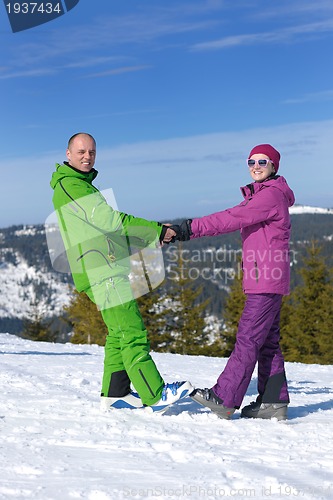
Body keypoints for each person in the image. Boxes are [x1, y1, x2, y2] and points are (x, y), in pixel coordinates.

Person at [50, 132, 193, 413]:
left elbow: (105, 231)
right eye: (80, 151)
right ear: (68, 154)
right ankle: (154, 393)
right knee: (131, 330)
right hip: (98, 270)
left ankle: (115, 393)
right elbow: (112, 222)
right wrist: (157, 230)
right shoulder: (71, 186)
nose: (87, 156)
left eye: (91, 151)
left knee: (117, 332)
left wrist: (151, 237)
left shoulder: (82, 185)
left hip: (104, 266)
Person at [173, 144, 295, 420]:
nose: (256, 166)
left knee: (248, 339)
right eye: (251, 161)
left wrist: (188, 229)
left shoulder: (270, 196)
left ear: (274, 166)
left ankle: (225, 397)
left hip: (266, 279)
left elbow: (231, 218)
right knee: (267, 342)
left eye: (263, 162)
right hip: (266, 279)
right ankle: (273, 400)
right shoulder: (265, 194)